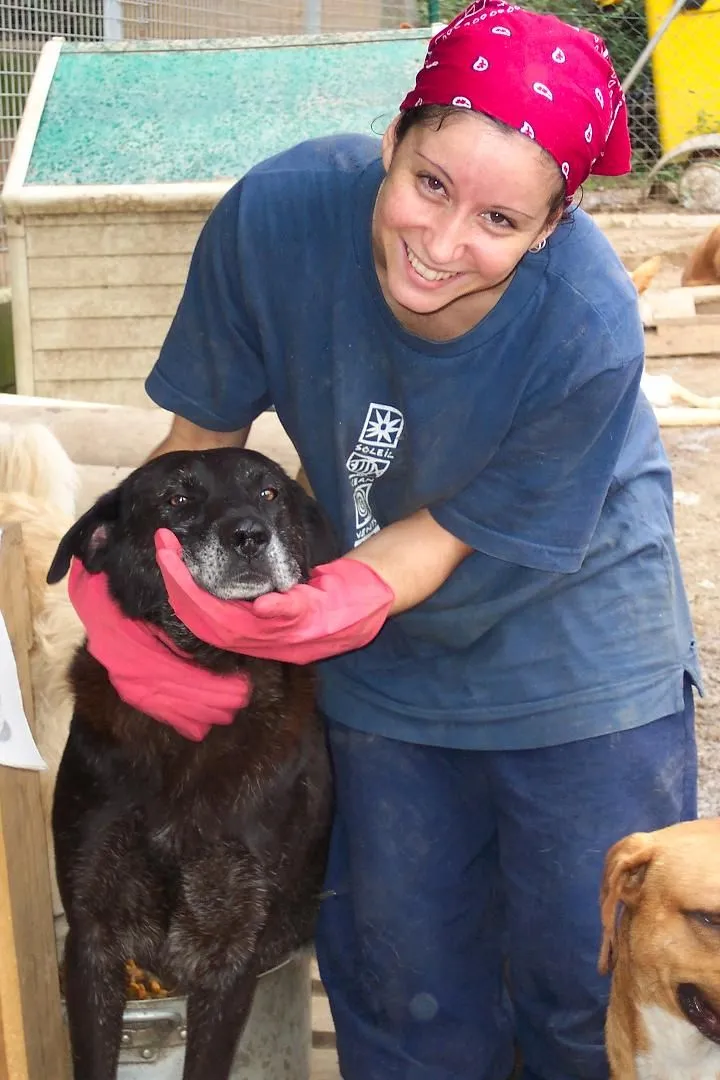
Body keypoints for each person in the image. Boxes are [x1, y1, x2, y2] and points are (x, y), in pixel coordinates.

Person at [68, 2, 701, 1077]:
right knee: (407, 996)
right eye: (430, 183)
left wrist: (329, 601)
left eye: (502, 223)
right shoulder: (274, 220)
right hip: (384, 667)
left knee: (579, 988)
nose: (444, 243)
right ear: (393, 138)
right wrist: (144, 601)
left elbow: (440, 540)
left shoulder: (586, 321)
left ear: (554, 228)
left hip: (579, 647)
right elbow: (196, 452)